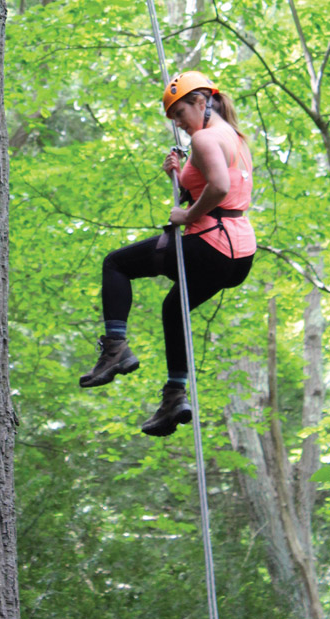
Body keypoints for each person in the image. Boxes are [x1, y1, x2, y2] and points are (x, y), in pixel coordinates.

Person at [79, 71, 256, 437]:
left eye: (179, 114)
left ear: (201, 102)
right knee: (173, 308)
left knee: (116, 264)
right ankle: (175, 396)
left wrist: (187, 215)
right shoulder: (236, 139)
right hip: (238, 254)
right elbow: (215, 187)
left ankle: (116, 349)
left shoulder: (206, 137)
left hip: (211, 244)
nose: (178, 124)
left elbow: (219, 189)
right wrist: (178, 176)